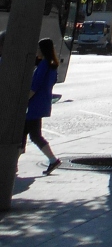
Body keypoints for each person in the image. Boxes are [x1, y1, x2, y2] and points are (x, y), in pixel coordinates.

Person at [20, 39, 61, 174]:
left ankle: (53, 160)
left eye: (38, 49)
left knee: (34, 135)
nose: (37, 51)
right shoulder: (52, 65)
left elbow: (35, 86)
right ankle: (13, 163)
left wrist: (24, 100)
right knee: (24, 133)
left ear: (43, 50)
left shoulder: (43, 65)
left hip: (34, 105)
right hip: (41, 103)